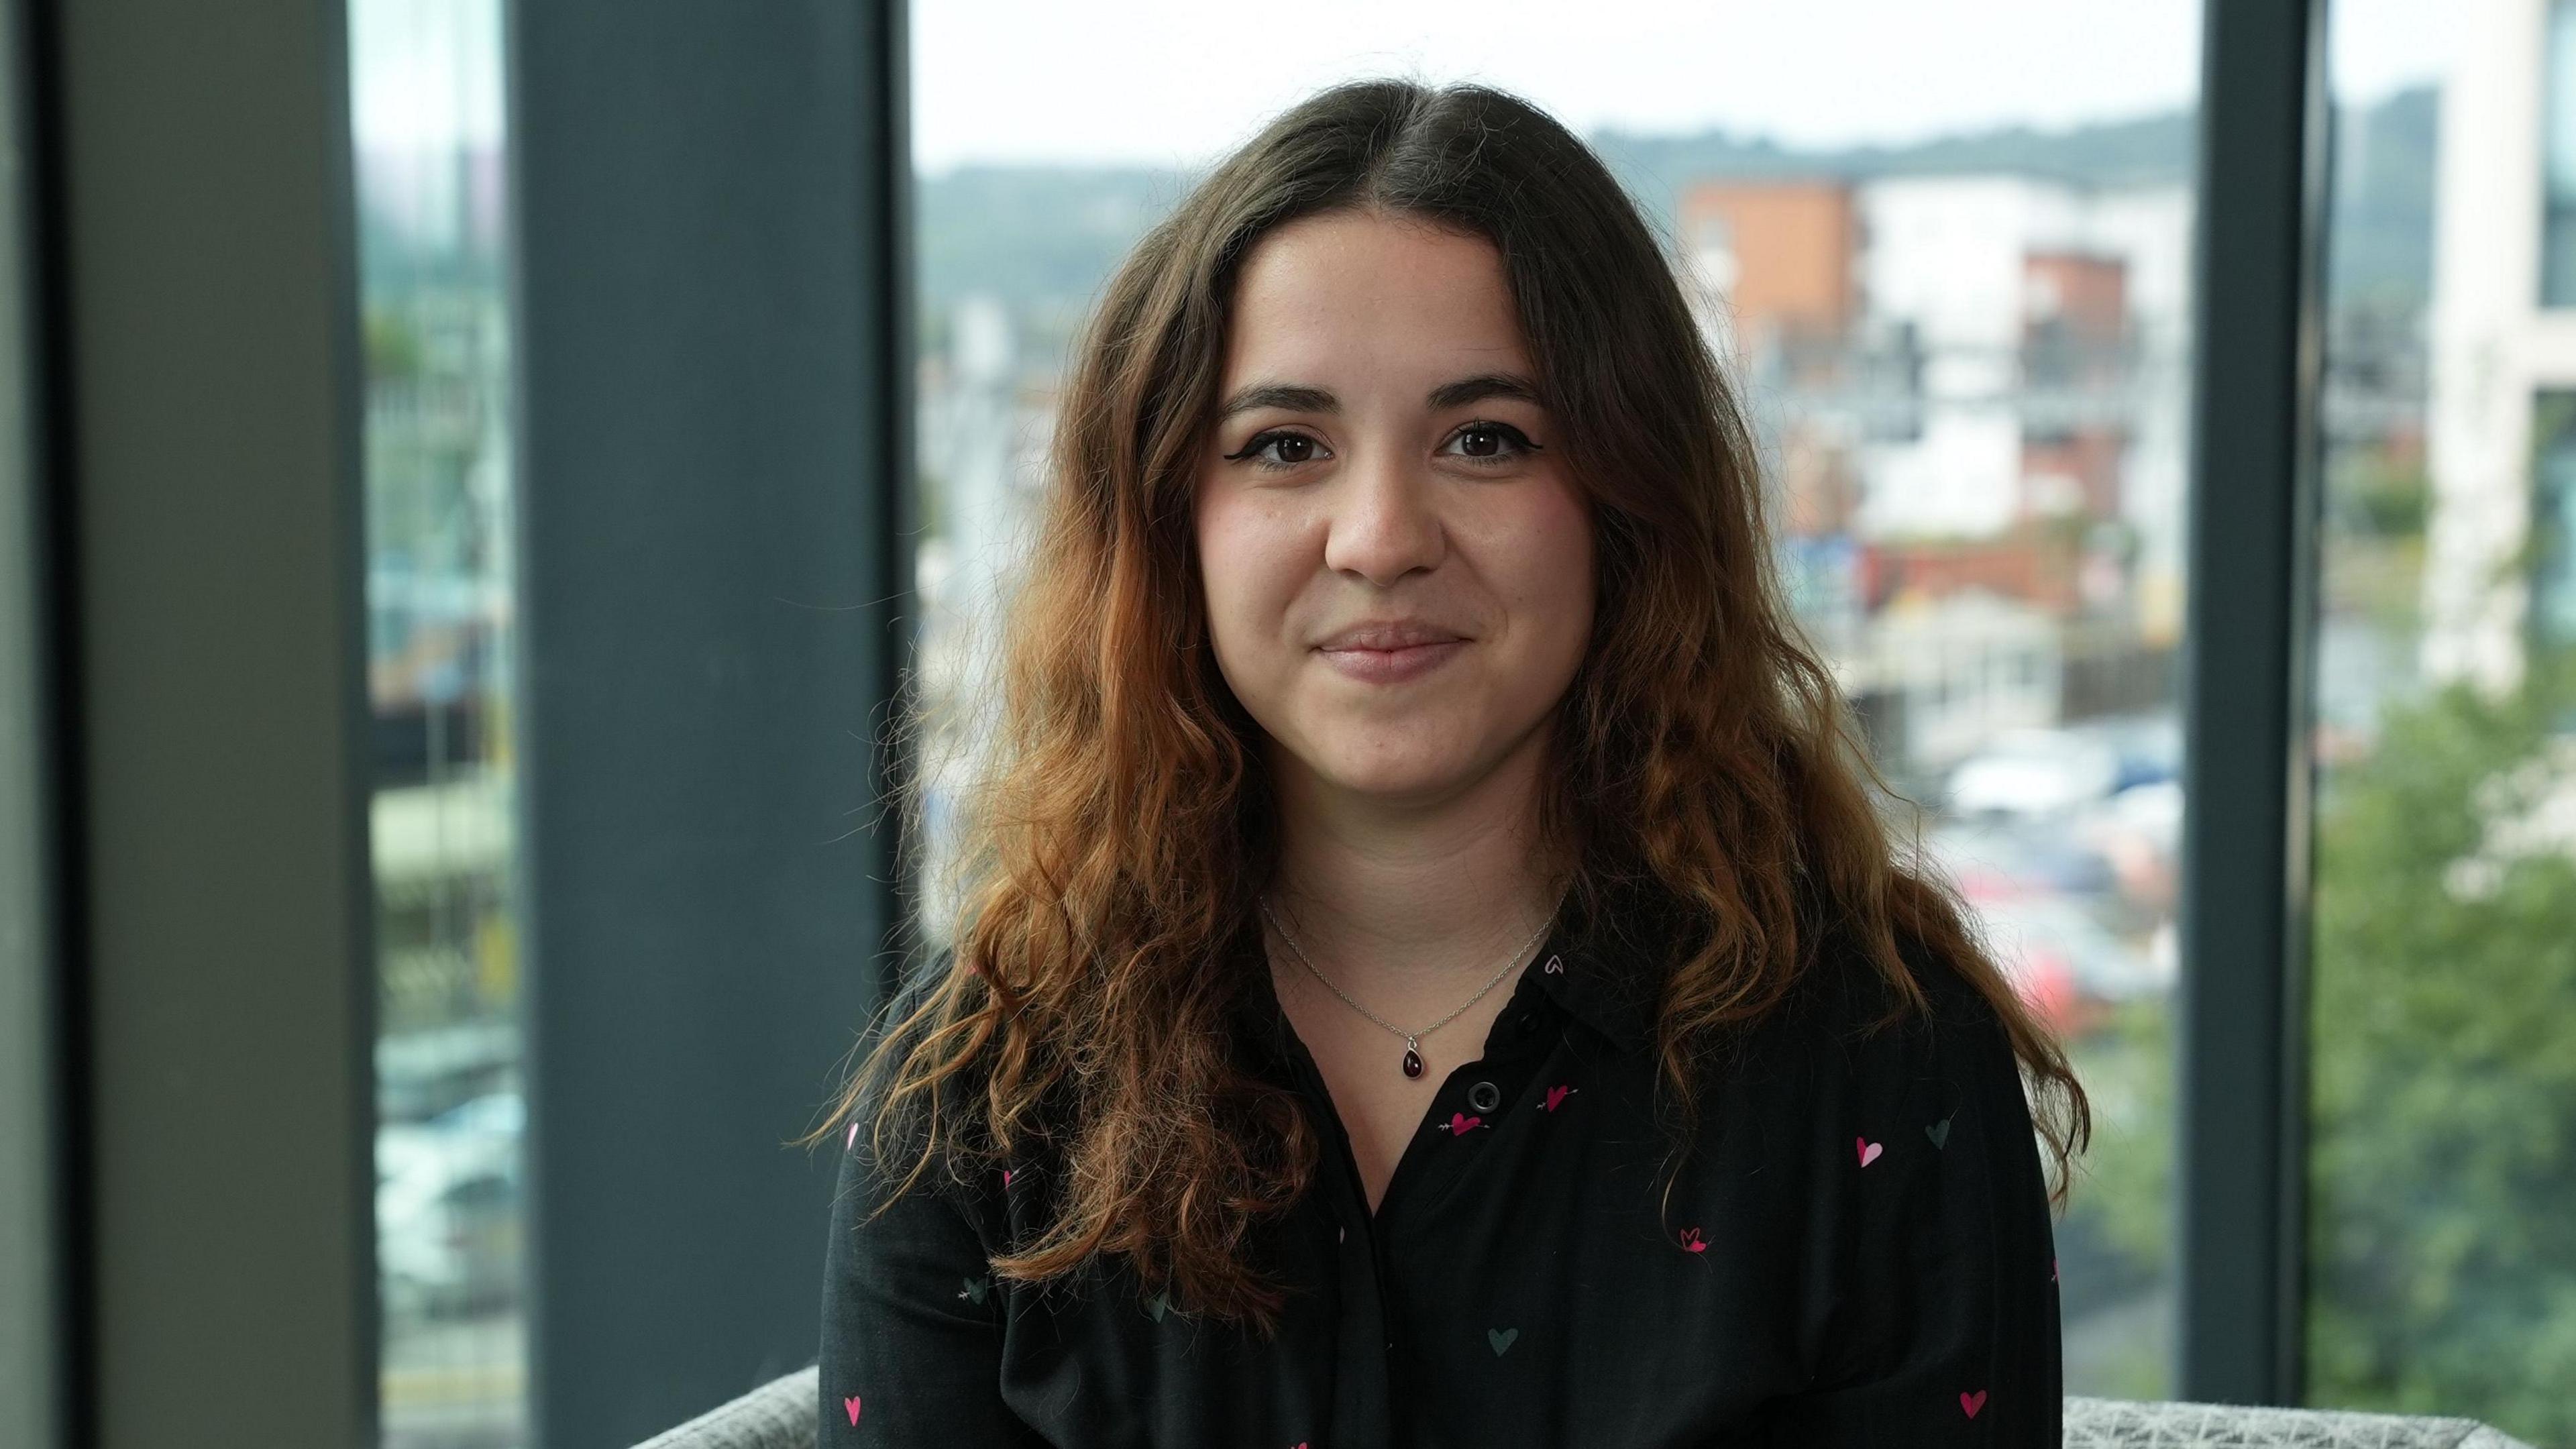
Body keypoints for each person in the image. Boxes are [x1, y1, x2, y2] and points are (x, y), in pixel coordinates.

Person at [817, 77, 2087, 1448]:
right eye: (1285, 446)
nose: (1378, 537)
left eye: (1485, 440)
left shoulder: (1875, 1059)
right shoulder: (986, 1088)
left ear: (1626, 501)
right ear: (1170, 522)